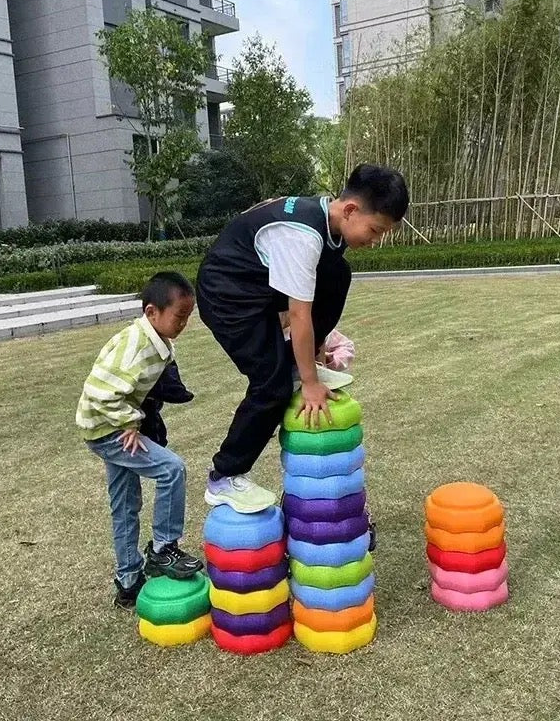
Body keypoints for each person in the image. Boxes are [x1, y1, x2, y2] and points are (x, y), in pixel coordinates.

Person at [197, 163, 409, 513]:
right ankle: (224, 475)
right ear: (352, 209)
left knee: (337, 273)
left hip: (257, 286)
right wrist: (309, 382)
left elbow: (318, 290)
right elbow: (299, 314)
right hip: (227, 296)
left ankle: (300, 363)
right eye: (375, 230)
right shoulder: (303, 236)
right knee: (272, 386)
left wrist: (317, 354)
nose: (375, 241)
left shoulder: (330, 221)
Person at [76, 272, 202, 609]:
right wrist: (129, 423)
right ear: (152, 312)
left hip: (105, 426)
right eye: (179, 316)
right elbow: (99, 392)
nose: (183, 324)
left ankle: (129, 582)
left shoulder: (154, 340)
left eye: (188, 317)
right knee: (171, 469)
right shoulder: (136, 345)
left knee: (124, 504)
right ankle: (163, 548)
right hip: (107, 430)